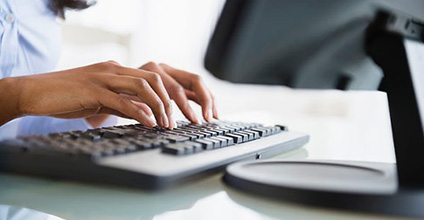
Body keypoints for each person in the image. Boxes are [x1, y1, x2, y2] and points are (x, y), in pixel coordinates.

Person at [0, 0, 218, 139]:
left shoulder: (42, 6)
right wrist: (15, 94)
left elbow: (17, 130)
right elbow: (16, 99)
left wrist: (103, 103)